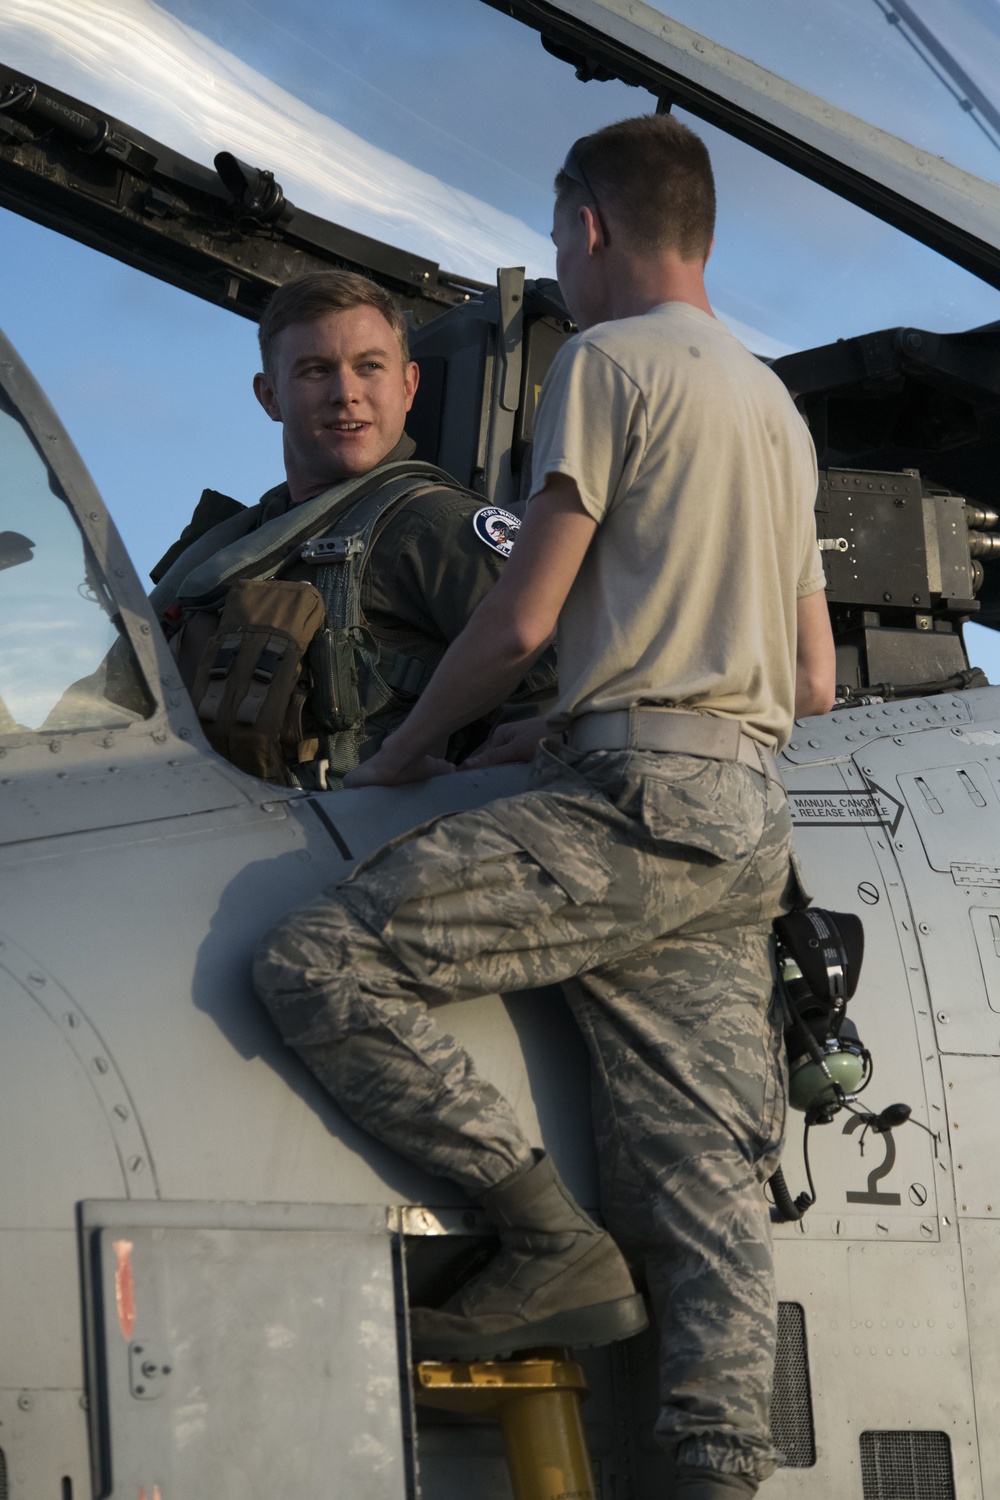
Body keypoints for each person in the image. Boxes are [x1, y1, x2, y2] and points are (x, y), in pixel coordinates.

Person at [253, 114, 835, 1500]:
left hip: (635, 801)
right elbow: (809, 676)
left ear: (585, 225)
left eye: (556, 238)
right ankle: (714, 1466)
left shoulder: (608, 363)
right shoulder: (771, 406)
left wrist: (410, 756)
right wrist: (560, 722)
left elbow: (521, 617)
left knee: (316, 962)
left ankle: (539, 1234)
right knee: (701, 1192)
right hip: (743, 815)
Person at [149, 270, 553, 787]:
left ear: (408, 386)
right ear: (269, 396)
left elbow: (554, 684)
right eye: (316, 371)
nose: (346, 393)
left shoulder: (430, 525)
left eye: (369, 367)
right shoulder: (235, 545)